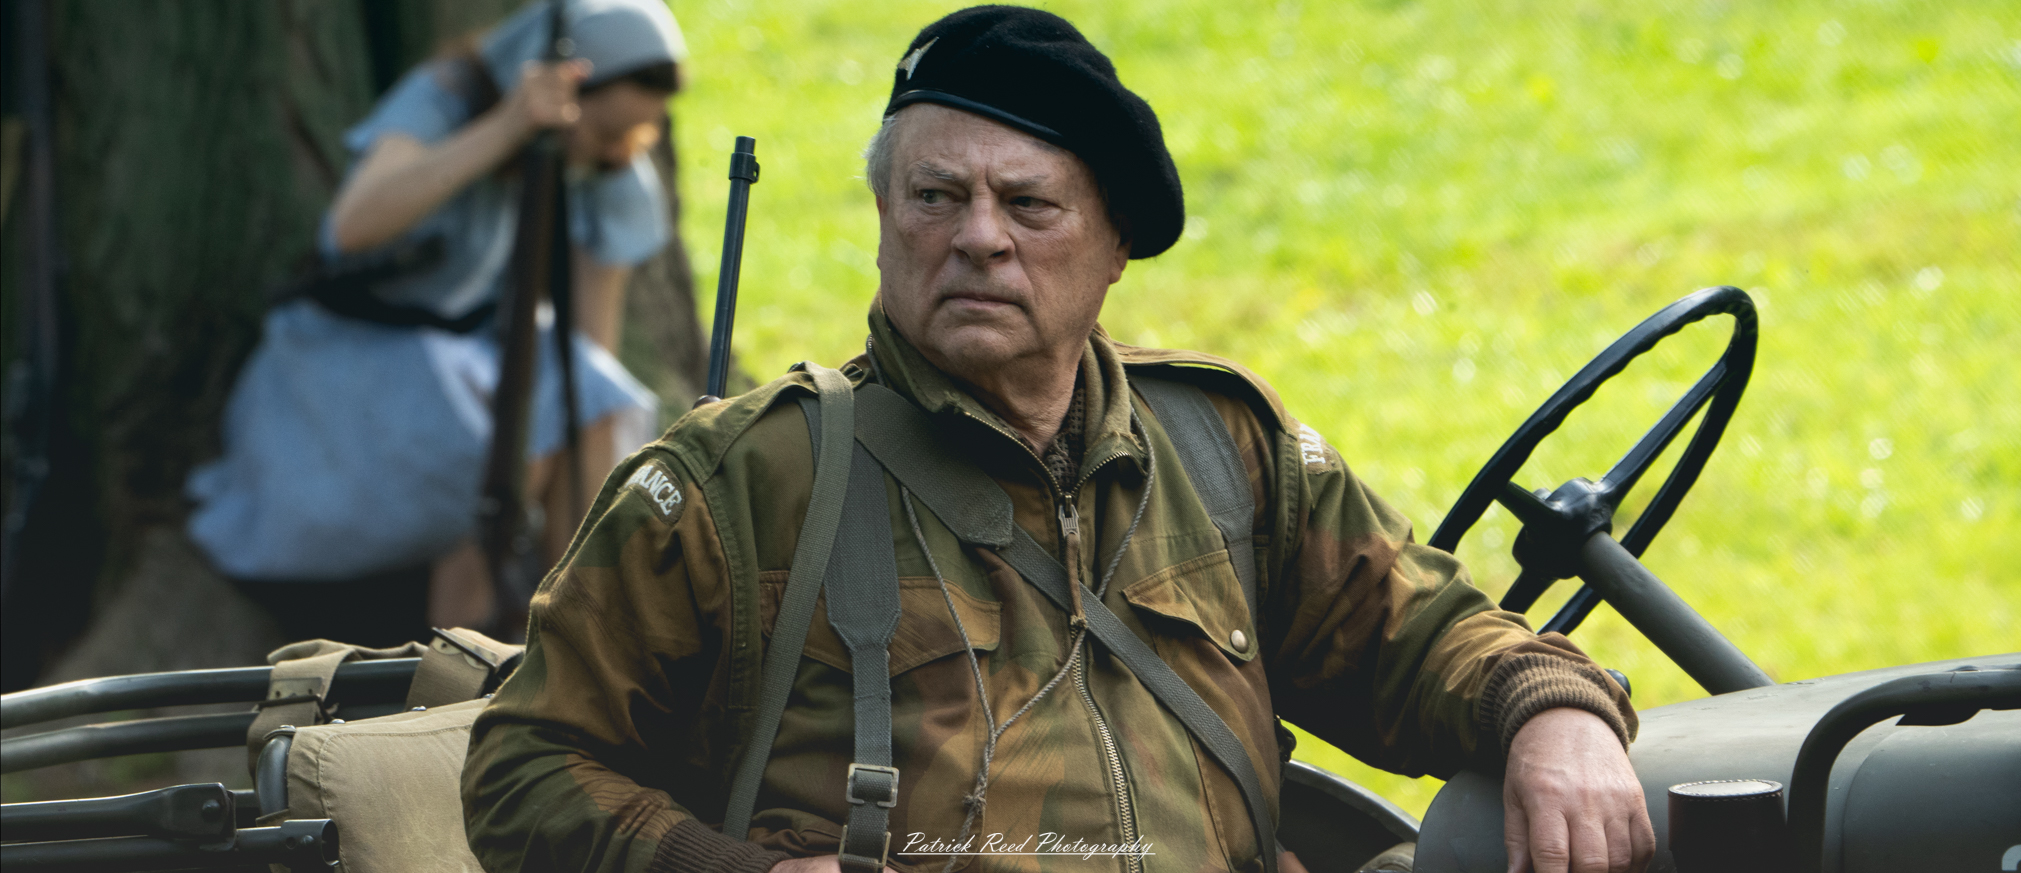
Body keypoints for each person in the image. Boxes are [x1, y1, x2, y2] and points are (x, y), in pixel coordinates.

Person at [461, 7, 1653, 873]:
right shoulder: (744, 484)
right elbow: (523, 771)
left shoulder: (1216, 445)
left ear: (1111, 243)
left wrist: (1548, 709)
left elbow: (1410, 631)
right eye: (935, 199)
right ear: (884, 222)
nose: (978, 238)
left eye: (1027, 205)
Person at [184, 0, 686, 644]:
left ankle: (574, 630)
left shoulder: (606, 156)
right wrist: (508, 128)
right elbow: (354, 224)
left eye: (630, 136)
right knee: (502, 453)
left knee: (597, 405)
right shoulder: (446, 101)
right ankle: (456, 648)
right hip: (348, 361)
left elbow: (589, 351)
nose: (613, 152)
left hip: (463, 360)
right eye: (604, 130)